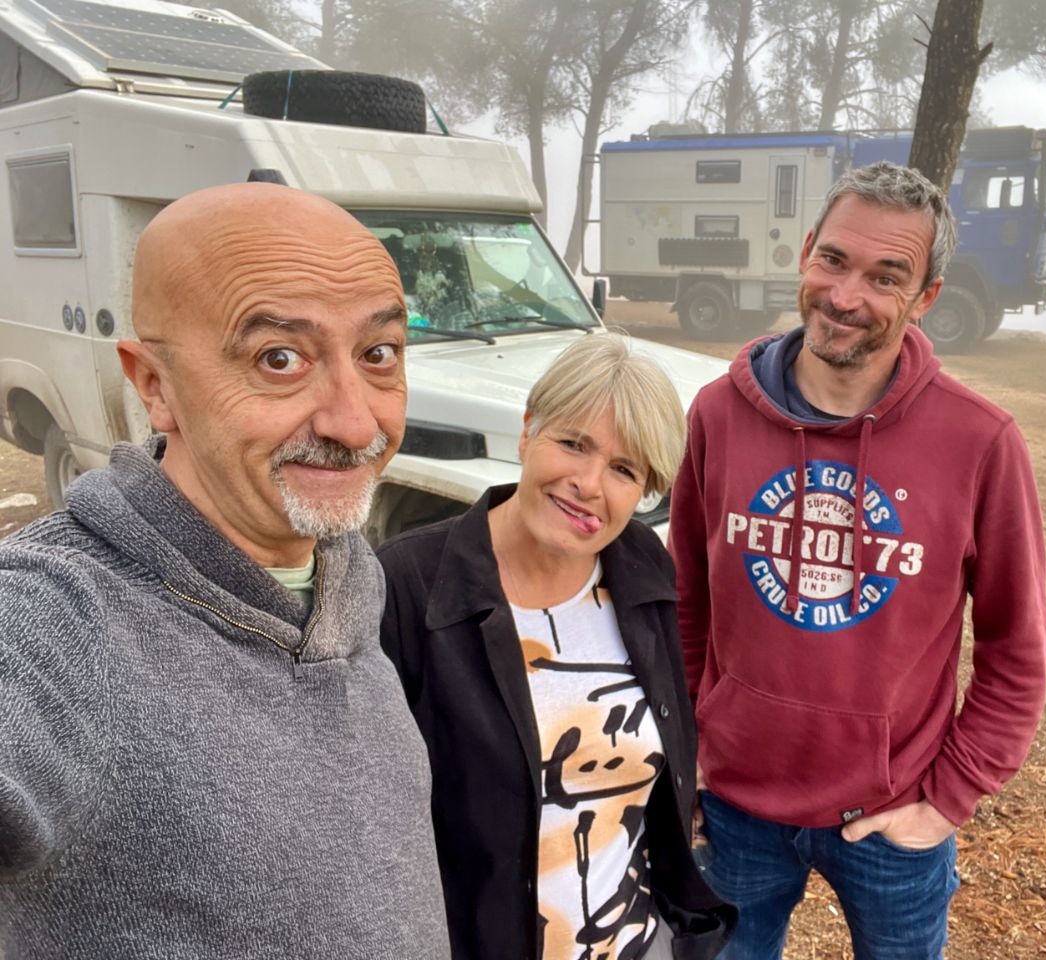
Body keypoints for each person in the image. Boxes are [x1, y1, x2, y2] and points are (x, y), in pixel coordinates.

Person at [0, 183, 450, 958]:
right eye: (279, 358)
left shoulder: (347, 572)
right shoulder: (55, 616)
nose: (356, 423)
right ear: (156, 386)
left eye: (378, 354)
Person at [669, 161, 1046, 959]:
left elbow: (1015, 650)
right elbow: (686, 602)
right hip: (735, 806)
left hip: (891, 818)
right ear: (806, 250)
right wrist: (686, 750)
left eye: (885, 276)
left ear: (925, 297)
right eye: (834, 260)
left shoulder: (980, 442)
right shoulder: (717, 414)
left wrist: (946, 801)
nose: (845, 296)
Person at [378, 333, 735, 960]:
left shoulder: (641, 566)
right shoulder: (409, 587)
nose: (588, 484)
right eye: (573, 443)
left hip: (635, 942)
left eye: (624, 470)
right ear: (526, 432)